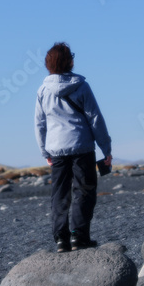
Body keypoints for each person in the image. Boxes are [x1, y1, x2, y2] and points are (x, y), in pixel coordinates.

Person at [34, 42, 112, 252]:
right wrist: (106, 148)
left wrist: (44, 151)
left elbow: (40, 123)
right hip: (82, 146)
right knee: (84, 192)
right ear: (69, 61)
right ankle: (79, 236)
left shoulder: (43, 90)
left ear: (48, 64)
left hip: (57, 149)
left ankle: (61, 239)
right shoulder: (82, 86)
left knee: (59, 194)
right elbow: (95, 118)